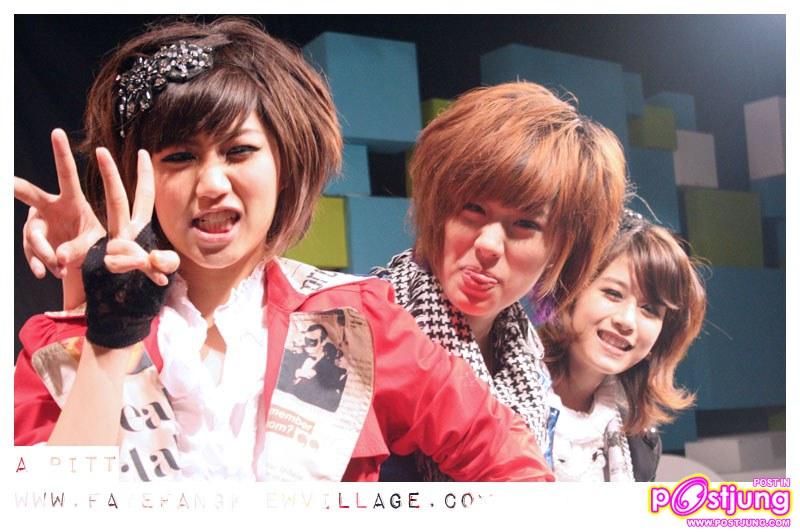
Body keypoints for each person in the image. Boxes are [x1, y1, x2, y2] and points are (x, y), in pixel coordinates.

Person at [13, 17, 553, 482]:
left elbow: (504, 458)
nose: (212, 184)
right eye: (180, 157)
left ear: (284, 165)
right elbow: (42, 508)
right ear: (141, 178)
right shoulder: (61, 342)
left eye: (239, 151)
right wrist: (109, 342)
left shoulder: (357, 319)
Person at [374, 82, 628, 480]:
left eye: (525, 224)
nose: (488, 245)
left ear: (562, 247)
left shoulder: (529, 363)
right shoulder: (365, 326)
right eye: (472, 208)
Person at [539, 210, 707, 481]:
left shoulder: (641, 444)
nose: (627, 321)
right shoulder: (500, 400)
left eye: (650, 309)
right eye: (613, 294)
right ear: (572, 291)